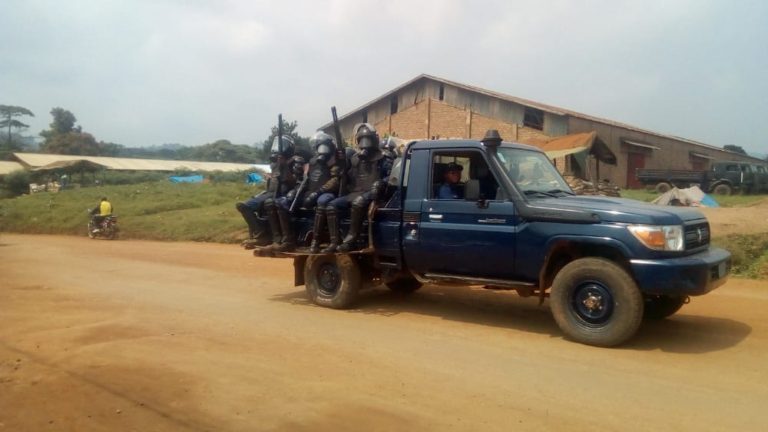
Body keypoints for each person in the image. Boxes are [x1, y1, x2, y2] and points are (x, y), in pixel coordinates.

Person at [321, 123, 391, 253]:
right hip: (356, 192)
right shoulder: (354, 159)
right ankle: (334, 241)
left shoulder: (383, 157)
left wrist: (381, 183)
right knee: (331, 206)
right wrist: (342, 162)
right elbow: (345, 175)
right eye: (362, 140)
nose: (365, 143)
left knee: (358, 202)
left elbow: (391, 177)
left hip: (372, 193)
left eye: (367, 139)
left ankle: (351, 240)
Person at [236, 135, 296, 248]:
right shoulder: (274, 165)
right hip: (269, 193)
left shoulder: (294, 162)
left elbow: (294, 182)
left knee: (270, 203)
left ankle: (276, 238)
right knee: (243, 206)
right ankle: (260, 233)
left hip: (282, 194)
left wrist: (284, 165)